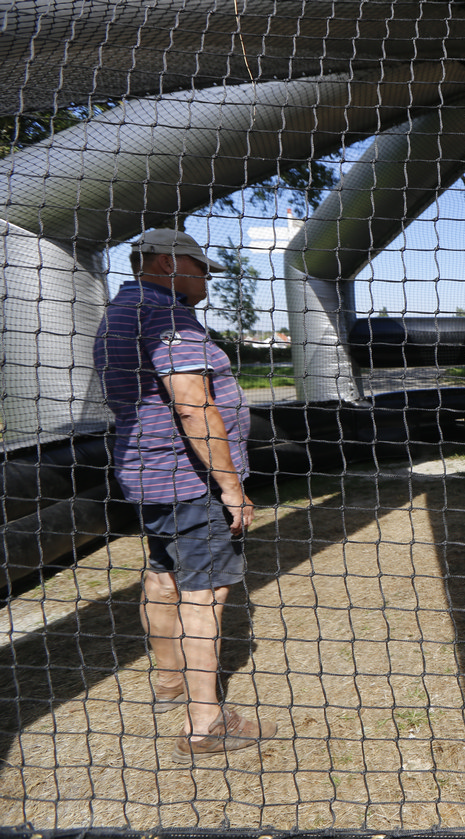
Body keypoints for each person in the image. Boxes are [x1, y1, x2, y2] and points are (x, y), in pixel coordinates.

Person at [93, 228, 277, 762]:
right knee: (206, 591)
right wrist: (231, 487)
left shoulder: (121, 310)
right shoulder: (166, 315)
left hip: (147, 475)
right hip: (189, 480)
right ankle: (205, 724)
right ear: (169, 263)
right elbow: (193, 406)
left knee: (162, 574)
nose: (206, 282)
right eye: (201, 270)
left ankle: (171, 682)